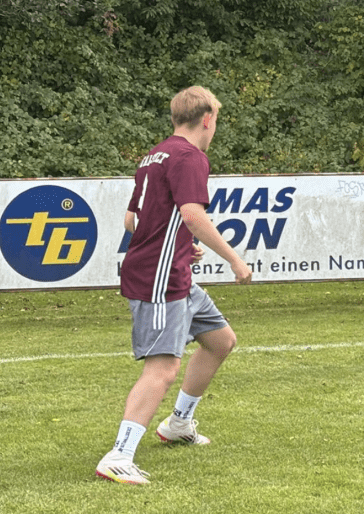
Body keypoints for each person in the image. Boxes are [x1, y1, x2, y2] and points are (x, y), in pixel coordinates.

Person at [96, 86, 252, 485]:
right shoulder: (190, 156)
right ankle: (119, 455)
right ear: (207, 119)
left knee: (220, 341)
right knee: (163, 368)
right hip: (159, 278)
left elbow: (132, 220)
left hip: (172, 271)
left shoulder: (155, 155)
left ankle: (179, 423)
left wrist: (180, 244)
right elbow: (192, 214)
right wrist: (234, 259)